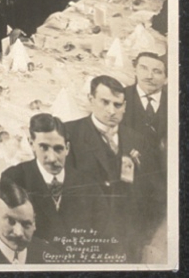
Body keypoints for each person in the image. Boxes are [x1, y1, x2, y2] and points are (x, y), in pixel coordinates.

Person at [63, 75, 164, 261]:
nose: (111, 111)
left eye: (118, 105)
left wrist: (142, 235)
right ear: (91, 100)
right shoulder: (68, 134)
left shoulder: (138, 140)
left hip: (128, 241)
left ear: (125, 106)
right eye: (105, 102)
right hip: (84, 240)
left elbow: (155, 192)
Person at [0, 113, 104, 247]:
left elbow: (104, 236)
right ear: (32, 144)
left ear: (67, 148)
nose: (52, 158)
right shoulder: (13, 179)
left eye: (58, 149)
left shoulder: (88, 184)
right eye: (43, 147)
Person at [121, 52, 167, 156]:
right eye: (143, 68)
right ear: (135, 70)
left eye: (157, 72)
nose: (149, 76)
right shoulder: (120, 97)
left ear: (166, 79)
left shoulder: (173, 102)